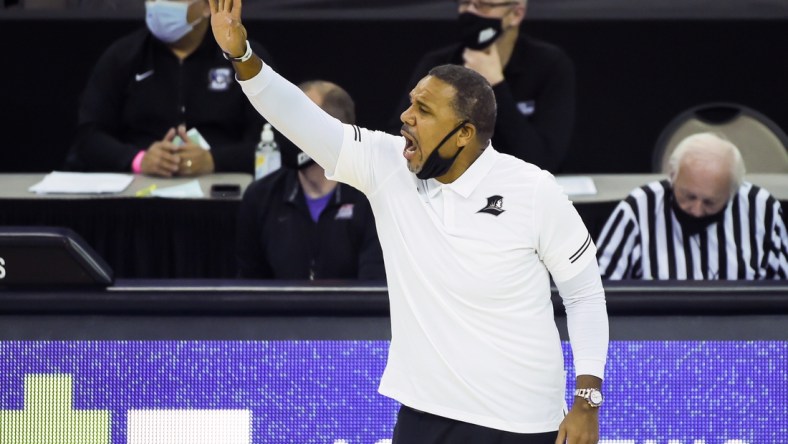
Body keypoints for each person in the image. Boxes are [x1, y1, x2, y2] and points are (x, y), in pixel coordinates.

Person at [209, 1, 609, 442]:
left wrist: (586, 402)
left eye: (424, 109)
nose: (405, 116)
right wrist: (243, 56)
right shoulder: (388, 168)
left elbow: (585, 293)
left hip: (520, 420)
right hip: (424, 414)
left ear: (464, 134)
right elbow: (301, 119)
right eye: (410, 103)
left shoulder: (533, 190)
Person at [65, 0, 275, 177]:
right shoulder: (123, 56)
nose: (158, 5)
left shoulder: (242, 58)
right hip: (140, 191)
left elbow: (274, 139)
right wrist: (138, 159)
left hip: (222, 191)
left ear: (206, 7)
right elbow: (89, 136)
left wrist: (214, 160)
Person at [390, 0, 575, 173]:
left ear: (516, 14)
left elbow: (541, 160)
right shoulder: (438, 65)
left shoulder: (549, 65)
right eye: (465, 3)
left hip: (517, 188)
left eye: (481, 5)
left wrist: (496, 87)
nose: (470, 12)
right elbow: (401, 138)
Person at [236, 80, 385, 281]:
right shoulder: (260, 196)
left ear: (332, 131)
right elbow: (250, 289)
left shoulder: (372, 198)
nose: (284, 129)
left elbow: (373, 292)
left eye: (296, 121)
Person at [597, 132, 788, 280]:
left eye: (710, 202)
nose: (696, 211)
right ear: (672, 177)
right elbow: (597, 289)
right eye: (688, 196)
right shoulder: (639, 208)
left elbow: (781, 291)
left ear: (732, 192)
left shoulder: (763, 210)